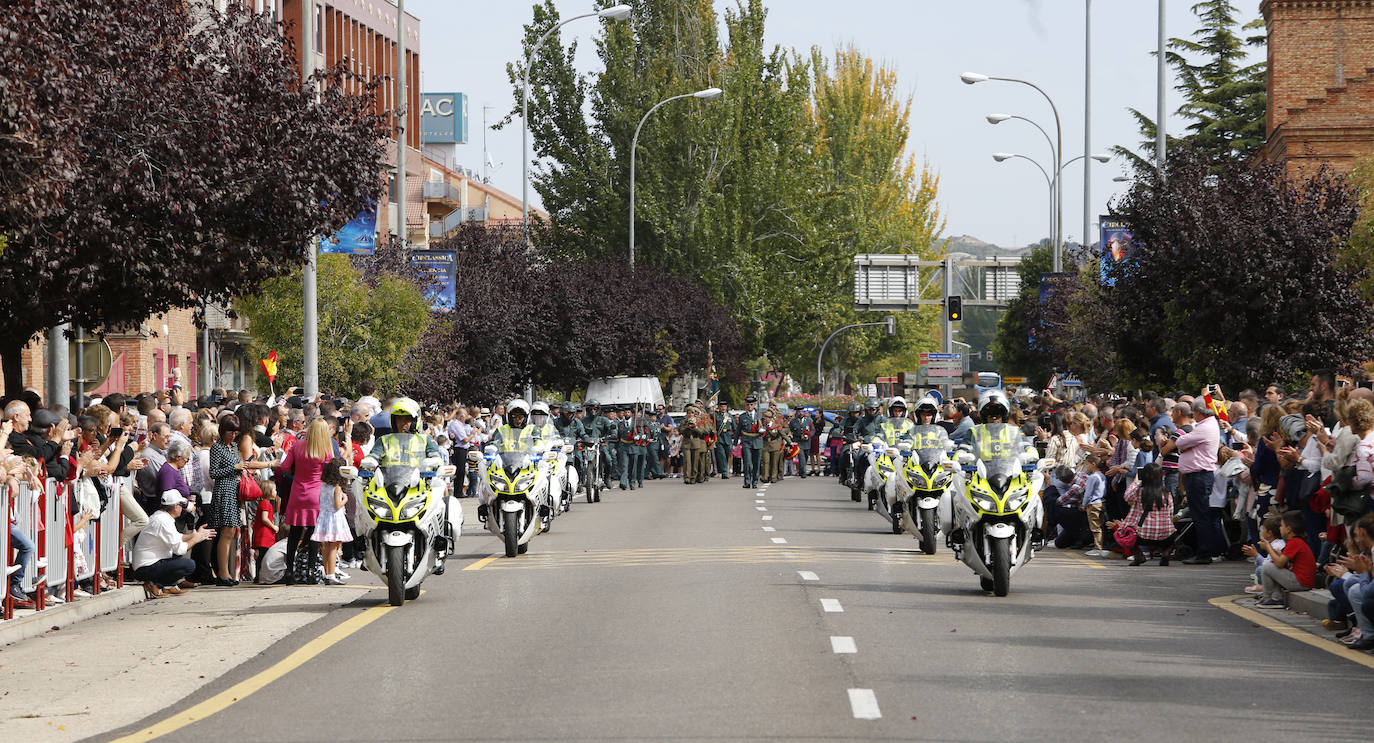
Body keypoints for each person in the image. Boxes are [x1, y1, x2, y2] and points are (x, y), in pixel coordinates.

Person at [207, 415, 273, 586]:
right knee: (226, 532)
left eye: (236, 432)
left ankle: (226, 572)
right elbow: (213, 472)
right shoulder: (217, 448)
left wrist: (242, 465)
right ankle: (223, 573)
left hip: (235, 491)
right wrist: (234, 467)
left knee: (231, 532)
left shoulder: (234, 446)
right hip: (224, 491)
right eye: (230, 432)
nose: (233, 435)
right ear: (222, 431)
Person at [278, 418, 339, 584]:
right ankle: (311, 572)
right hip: (316, 494)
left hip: (297, 492)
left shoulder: (297, 445)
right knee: (314, 533)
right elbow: (331, 472)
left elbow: (284, 466)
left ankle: (289, 571)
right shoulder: (325, 450)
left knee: (294, 533)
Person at [131, 490, 215, 598]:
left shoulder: (161, 516)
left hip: (147, 566)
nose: (182, 508)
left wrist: (195, 535)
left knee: (178, 557)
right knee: (189, 565)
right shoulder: (163, 521)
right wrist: (196, 539)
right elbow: (180, 549)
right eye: (182, 505)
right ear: (176, 506)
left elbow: (177, 538)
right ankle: (155, 585)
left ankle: (169, 585)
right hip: (145, 569)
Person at [1108, 461, 1176, 566]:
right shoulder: (1167, 493)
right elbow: (1171, 512)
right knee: (1171, 534)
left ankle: (1138, 555)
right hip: (1166, 535)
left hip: (1143, 536)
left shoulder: (1139, 491)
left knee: (1123, 533)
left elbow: (1127, 497)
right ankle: (1166, 552)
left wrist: (1136, 482)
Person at [1247, 510, 1316, 609]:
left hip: (1301, 583)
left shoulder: (1294, 542)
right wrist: (1275, 553)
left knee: (1267, 567)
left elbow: (1279, 563)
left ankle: (1270, 598)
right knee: (1270, 566)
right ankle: (1275, 597)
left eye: (1281, 526)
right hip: (1301, 581)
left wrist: (1268, 547)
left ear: (1288, 529)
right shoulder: (1294, 541)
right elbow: (1282, 561)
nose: (1280, 528)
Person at [313, 456, 354, 585]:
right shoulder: (337, 487)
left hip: (324, 516)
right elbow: (337, 505)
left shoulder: (323, 485)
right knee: (333, 547)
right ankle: (331, 574)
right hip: (334, 518)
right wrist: (345, 499)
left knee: (326, 546)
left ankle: (327, 573)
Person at [735, 396, 763, 489]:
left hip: (757, 440)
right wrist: (735, 443)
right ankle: (747, 482)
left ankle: (755, 482)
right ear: (745, 405)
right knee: (747, 463)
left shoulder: (760, 415)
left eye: (751, 404)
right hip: (747, 441)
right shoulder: (742, 416)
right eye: (748, 405)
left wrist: (762, 429)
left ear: (754, 405)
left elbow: (765, 427)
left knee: (756, 463)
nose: (749, 406)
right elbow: (738, 430)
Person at [253, 485, 280, 582]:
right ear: (268, 491)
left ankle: (260, 576)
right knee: (263, 556)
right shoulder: (265, 503)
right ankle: (259, 576)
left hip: (265, 534)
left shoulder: (265, 503)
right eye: (274, 490)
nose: (276, 492)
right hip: (264, 535)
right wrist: (273, 526)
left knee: (262, 556)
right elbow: (264, 518)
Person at [680, 402, 710, 485]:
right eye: (689, 413)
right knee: (687, 461)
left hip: (696, 442)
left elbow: (701, 432)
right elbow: (681, 431)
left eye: (692, 413)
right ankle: (687, 477)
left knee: (695, 461)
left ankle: (694, 477)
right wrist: (687, 426)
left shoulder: (699, 421)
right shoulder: (684, 421)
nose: (690, 415)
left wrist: (695, 427)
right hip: (686, 442)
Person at [790, 407, 816, 478]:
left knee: (806, 456)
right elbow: (790, 431)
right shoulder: (793, 421)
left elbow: (813, 430)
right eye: (799, 412)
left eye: (802, 411)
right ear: (796, 413)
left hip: (807, 442)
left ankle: (801, 471)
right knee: (801, 457)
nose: (801, 413)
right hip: (798, 441)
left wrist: (809, 435)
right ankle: (804, 473)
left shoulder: (809, 420)